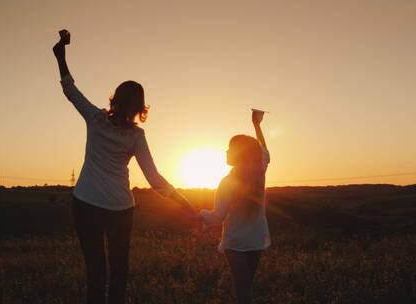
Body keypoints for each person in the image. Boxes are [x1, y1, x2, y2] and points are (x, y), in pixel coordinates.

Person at [52, 29, 198, 304]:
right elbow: (155, 179)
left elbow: (69, 89)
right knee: (120, 271)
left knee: (96, 271)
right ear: (140, 107)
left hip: (85, 204)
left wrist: (61, 55)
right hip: (120, 210)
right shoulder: (136, 136)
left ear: (115, 99)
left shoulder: (95, 118)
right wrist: (186, 204)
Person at [200, 110, 270, 304]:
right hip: (257, 240)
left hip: (236, 244)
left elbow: (217, 217)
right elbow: (263, 149)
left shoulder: (227, 182)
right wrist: (257, 125)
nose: (226, 151)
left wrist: (198, 213)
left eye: (230, 148)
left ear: (239, 153)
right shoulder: (260, 172)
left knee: (243, 291)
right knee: (247, 288)